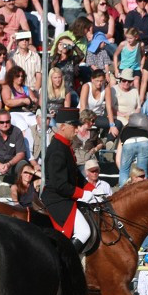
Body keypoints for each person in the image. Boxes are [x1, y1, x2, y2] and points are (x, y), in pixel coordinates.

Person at [40, 108, 95, 253]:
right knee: (84, 232)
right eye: (74, 126)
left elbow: (75, 173)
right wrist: (82, 194)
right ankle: (65, 260)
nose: (77, 130)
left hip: (64, 197)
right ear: (63, 126)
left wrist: (92, 188)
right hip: (57, 199)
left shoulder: (64, 146)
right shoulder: (58, 149)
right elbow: (60, 185)